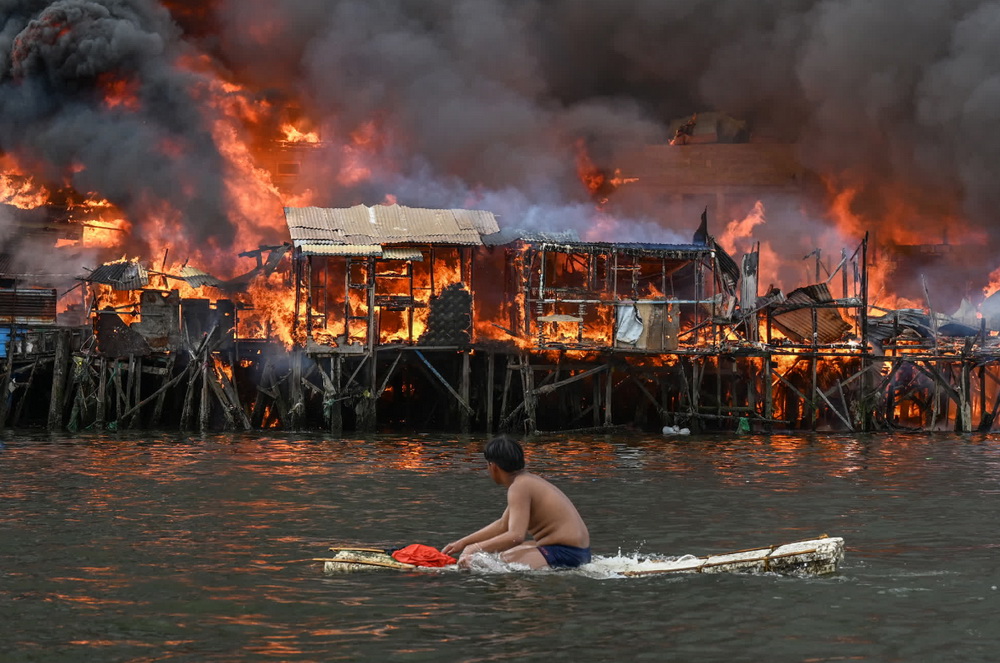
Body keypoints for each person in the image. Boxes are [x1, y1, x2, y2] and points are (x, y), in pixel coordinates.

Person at [442, 435, 591, 569]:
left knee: (498, 562)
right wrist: (462, 543)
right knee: (500, 555)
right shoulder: (525, 482)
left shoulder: (519, 487)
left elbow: (516, 536)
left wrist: (473, 549)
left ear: (493, 466)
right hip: (578, 552)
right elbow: (503, 525)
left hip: (567, 553)